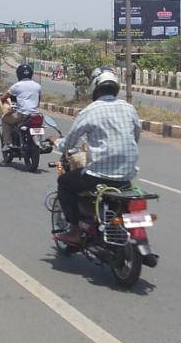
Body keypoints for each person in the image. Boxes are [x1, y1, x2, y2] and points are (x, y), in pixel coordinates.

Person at [54, 67, 141, 245]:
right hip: (127, 175)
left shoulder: (90, 110)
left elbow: (69, 142)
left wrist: (57, 142)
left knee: (65, 182)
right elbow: (136, 135)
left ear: (95, 87)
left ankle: (74, 231)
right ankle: (140, 238)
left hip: (98, 176)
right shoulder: (129, 108)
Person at [0, 64, 42, 149]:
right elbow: (38, 101)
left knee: (5, 119)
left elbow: (3, 98)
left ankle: (7, 143)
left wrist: (0, 98)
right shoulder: (38, 86)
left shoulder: (17, 86)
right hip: (36, 114)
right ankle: (38, 140)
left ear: (18, 74)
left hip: (22, 115)